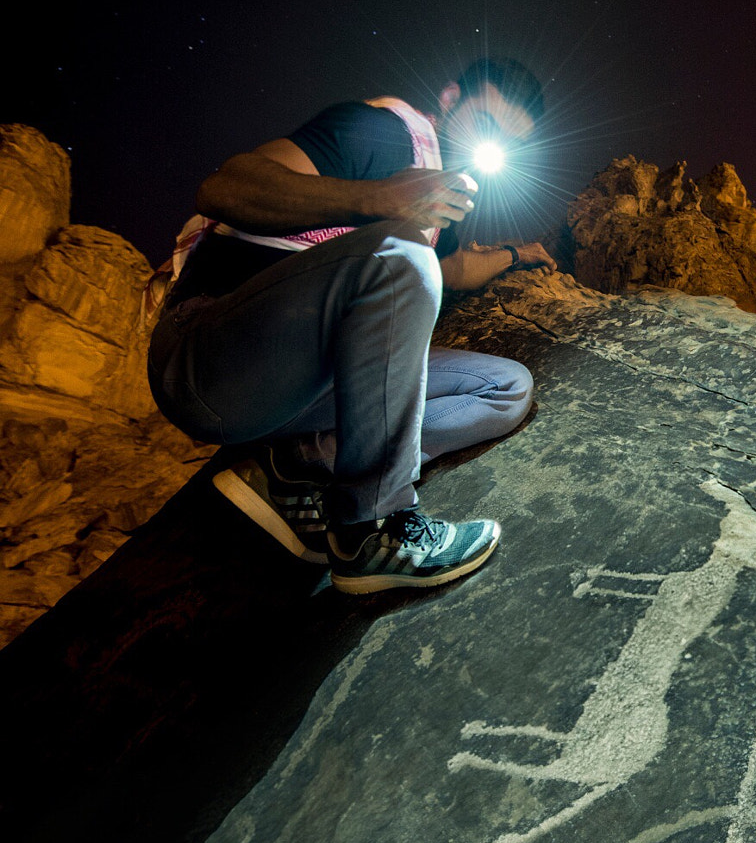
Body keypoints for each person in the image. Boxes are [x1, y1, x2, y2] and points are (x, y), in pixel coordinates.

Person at [146, 59, 554, 595]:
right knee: (402, 253)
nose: (488, 142)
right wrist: (376, 199)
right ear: (450, 99)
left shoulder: (439, 192)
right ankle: (370, 530)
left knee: (506, 387)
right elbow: (224, 187)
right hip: (208, 364)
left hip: (303, 390)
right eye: (485, 123)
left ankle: (300, 463)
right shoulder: (382, 132)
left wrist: (516, 254)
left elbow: (453, 268)